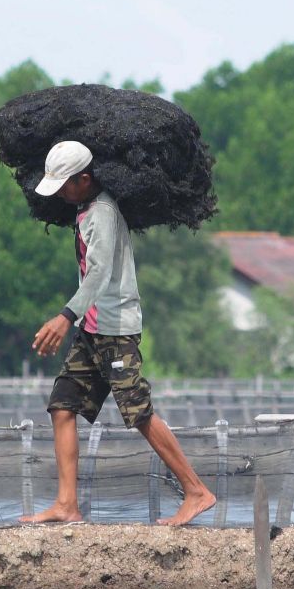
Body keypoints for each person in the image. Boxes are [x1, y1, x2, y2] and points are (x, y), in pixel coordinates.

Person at [20, 140, 216, 526]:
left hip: (115, 330)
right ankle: (66, 505)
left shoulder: (104, 213)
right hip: (93, 330)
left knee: (138, 412)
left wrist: (64, 317)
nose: (60, 192)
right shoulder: (84, 208)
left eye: (64, 184)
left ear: (85, 179)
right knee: (62, 406)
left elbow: (99, 274)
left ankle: (197, 491)